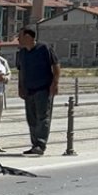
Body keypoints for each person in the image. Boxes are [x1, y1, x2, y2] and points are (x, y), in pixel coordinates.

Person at [15, 27, 60, 155]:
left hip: (43, 89)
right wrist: (20, 87)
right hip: (29, 90)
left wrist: (55, 83)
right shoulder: (22, 53)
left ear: (28, 37)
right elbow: (20, 71)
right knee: (31, 119)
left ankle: (40, 144)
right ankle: (34, 144)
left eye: (20, 36)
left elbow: (56, 65)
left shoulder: (44, 48)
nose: (18, 39)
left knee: (42, 117)